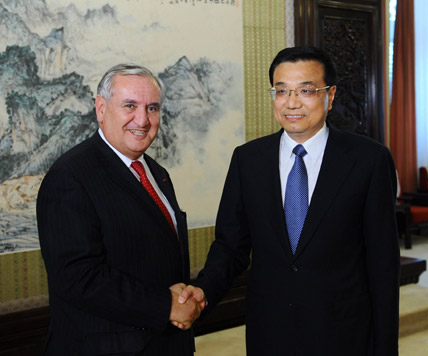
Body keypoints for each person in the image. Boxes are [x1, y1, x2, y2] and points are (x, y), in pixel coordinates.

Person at [179, 46, 400, 355]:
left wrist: (385, 347)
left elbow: (383, 265)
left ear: (330, 95)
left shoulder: (369, 160)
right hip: (270, 331)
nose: (292, 103)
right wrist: (203, 290)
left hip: (344, 333)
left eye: (306, 90)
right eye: (281, 91)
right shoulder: (248, 160)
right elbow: (231, 245)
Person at [36, 64, 204, 355]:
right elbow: (78, 278)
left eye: (152, 108)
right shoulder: (70, 176)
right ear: (101, 108)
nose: (143, 119)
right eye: (130, 106)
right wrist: (166, 307)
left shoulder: (155, 172)